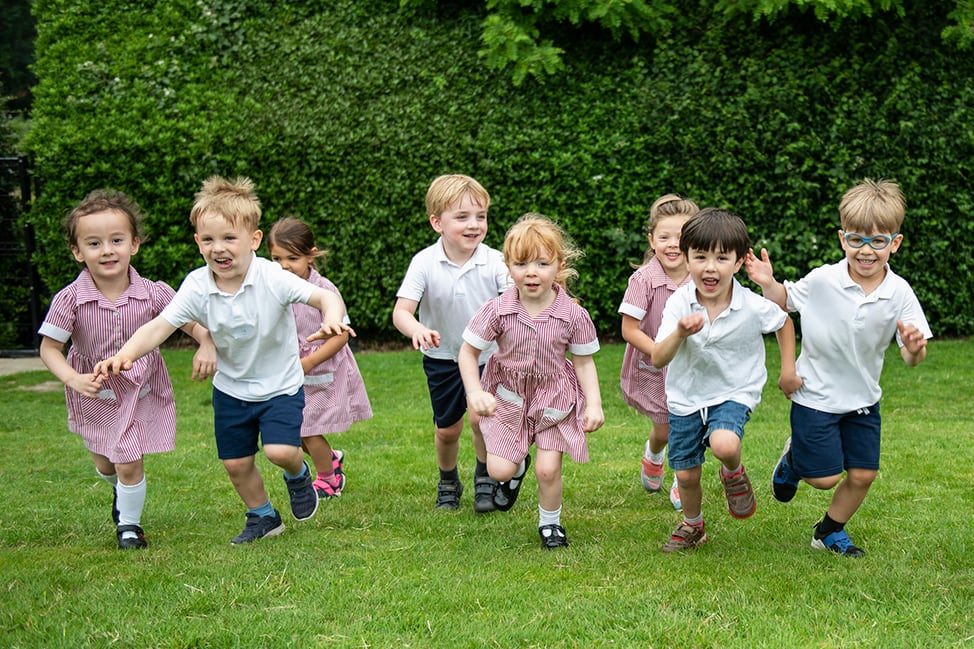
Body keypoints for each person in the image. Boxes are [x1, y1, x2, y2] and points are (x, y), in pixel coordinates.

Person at [94, 177, 352, 545]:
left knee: (280, 451)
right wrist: (124, 355)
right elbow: (158, 327)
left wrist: (332, 318)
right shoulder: (197, 285)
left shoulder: (272, 277)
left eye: (229, 238)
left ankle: (298, 473)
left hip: (280, 384)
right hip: (231, 390)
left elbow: (324, 297)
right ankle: (263, 516)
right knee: (236, 464)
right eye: (209, 239)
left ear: (254, 240)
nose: (219, 248)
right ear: (198, 241)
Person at [745, 178, 930, 557]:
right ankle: (795, 459)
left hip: (862, 398)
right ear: (842, 238)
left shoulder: (900, 293)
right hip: (815, 394)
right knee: (825, 478)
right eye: (857, 239)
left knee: (863, 474)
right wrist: (768, 283)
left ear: (894, 243)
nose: (866, 250)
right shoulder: (823, 280)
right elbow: (785, 301)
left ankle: (828, 531)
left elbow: (913, 358)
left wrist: (913, 348)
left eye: (878, 241)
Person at [38, 189, 216, 550]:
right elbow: (50, 348)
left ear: (133, 244)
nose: (107, 250)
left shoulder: (154, 293)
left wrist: (207, 343)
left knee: (129, 462)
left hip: (141, 387)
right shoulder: (70, 299)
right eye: (94, 243)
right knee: (107, 462)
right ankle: (120, 488)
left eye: (116, 240)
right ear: (77, 252)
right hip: (95, 391)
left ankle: (130, 527)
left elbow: (193, 324)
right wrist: (73, 378)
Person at [652, 207, 799, 552]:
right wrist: (679, 333)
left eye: (721, 258)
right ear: (686, 260)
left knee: (724, 444)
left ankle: (733, 472)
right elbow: (658, 357)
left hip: (734, 391)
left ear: (737, 263)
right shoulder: (679, 303)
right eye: (700, 256)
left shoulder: (750, 304)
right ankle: (693, 525)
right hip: (685, 397)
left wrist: (788, 368)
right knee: (687, 475)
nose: (710, 267)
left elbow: (784, 323)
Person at [458, 214, 604, 549]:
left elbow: (583, 361)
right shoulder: (498, 310)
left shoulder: (572, 315)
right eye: (522, 264)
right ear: (508, 267)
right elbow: (467, 352)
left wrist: (594, 403)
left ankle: (550, 524)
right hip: (508, 396)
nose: (532, 272)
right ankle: (516, 464)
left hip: (554, 398)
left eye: (542, 263)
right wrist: (475, 391)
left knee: (549, 469)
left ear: (559, 265)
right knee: (498, 472)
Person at [392, 174, 510, 512]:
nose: (474, 225)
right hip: (442, 358)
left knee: (480, 419)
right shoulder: (424, 262)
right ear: (436, 222)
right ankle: (448, 481)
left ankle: (485, 478)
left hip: (487, 358)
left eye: (481, 216)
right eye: (462, 217)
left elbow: (513, 305)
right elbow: (402, 312)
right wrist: (415, 328)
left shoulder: (496, 261)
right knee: (447, 430)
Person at [268, 216, 373, 498]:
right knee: (293, 431)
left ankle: (329, 478)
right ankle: (330, 457)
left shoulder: (323, 290)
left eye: (292, 257)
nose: (284, 266)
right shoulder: (273, 285)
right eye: (276, 258)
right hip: (289, 370)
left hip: (320, 370)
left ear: (311, 254)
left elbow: (341, 334)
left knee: (308, 429)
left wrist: (310, 362)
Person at [619, 193, 699, 510]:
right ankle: (654, 453)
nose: (672, 244)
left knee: (688, 424)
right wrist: (659, 352)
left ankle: (683, 479)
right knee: (665, 427)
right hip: (654, 367)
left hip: (691, 366)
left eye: (680, 237)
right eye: (664, 237)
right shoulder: (644, 280)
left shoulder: (701, 277)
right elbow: (629, 329)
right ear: (652, 240)